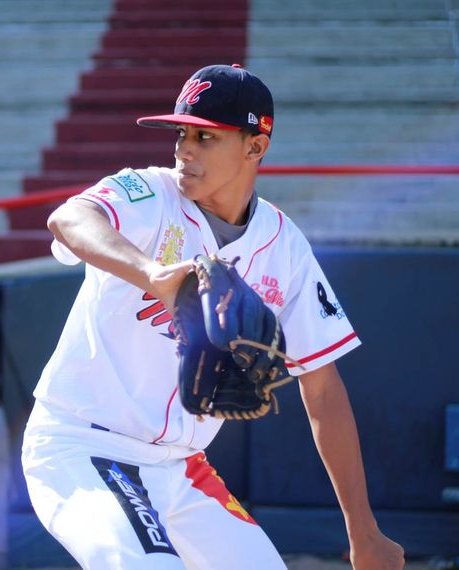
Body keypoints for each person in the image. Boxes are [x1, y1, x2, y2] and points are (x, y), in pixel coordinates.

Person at [21, 64, 405, 569]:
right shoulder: (148, 193)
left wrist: (363, 531)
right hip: (81, 446)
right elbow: (68, 219)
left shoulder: (283, 245)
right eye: (181, 133)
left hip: (181, 467)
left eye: (206, 136)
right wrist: (152, 273)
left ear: (255, 147)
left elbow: (323, 389)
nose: (184, 148)